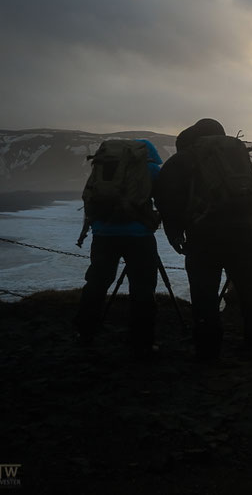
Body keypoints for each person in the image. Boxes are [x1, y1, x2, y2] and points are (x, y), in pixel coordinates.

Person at [154, 118, 252, 362]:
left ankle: (208, 349)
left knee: (204, 291)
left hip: (204, 234)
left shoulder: (185, 157)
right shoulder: (236, 153)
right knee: (249, 287)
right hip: (244, 231)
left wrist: (174, 232)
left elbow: (166, 196)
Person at [73, 139, 163, 360]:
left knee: (96, 283)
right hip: (139, 237)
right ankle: (142, 342)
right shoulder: (150, 169)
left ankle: (84, 333)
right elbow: (163, 200)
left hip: (103, 235)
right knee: (142, 288)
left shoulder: (105, 166)